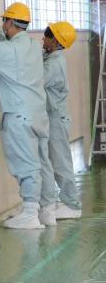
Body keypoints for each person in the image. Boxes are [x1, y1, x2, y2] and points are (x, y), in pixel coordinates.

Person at [0, 2, 58, 228]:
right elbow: (8, 40)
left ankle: (30, 213)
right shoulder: (33, 46)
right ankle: (47, 211)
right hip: (38, 115)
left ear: (9, 22)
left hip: (20, 116)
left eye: (4, 21)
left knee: (27, 165)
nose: (4, 25)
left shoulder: (8, 51)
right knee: (42, 163)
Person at [42, 21, 82, 219]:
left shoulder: (54, 65)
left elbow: (32, 79)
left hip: (56, 119)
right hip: (53, 117)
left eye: (47, 36)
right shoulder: (50, 57)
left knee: (60, 163)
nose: (43, 38)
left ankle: (72, 206)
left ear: (56, 41)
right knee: (55, 161)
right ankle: (64, 202)